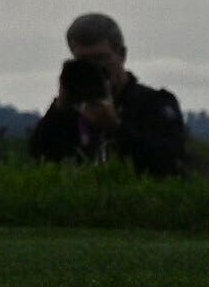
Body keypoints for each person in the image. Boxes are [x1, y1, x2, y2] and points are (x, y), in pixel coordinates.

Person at [26, 11, 193, 175]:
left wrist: (116, 128)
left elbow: (171, 163)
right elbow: (38, 159)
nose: (95, 68)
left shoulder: (155, 104)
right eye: (84, 62)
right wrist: (59, 109)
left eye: (101, 59)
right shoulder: (71, 112)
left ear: (122, 55)